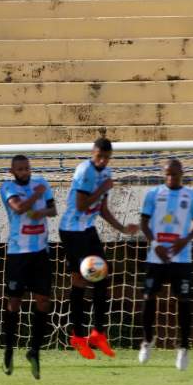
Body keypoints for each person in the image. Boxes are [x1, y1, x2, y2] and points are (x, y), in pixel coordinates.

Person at [59, 138, 139, 360]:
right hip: (72, 230)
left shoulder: (105, 173)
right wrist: (102, 188)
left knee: (92, 278)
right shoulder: (84, 171)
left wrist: (122, 228)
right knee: (92, 278)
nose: (103, 160)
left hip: (87, 229)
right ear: (92, 153)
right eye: (99, 156)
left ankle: (91, 334)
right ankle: (87, 334)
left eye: (106, 157)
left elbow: (101, 208)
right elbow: (81, 205)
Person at [138, 159, 193, 371]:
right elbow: (143, 223)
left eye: (174, 174)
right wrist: (155, 244)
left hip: (181, 258)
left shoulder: (191, 196)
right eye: (167, 174)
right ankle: (147, 340)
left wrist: (185, 240)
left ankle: (183, 348)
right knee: (148, 297)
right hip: (156, 257)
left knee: (184, 300)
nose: (171, 178)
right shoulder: (153, 194)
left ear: (181, 174)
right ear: (163, 174)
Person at [0, 155, 57, 379]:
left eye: (27, 168)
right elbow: (19, 208)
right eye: (20, 169)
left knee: (43, 301)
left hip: (40, 252)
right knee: (14, 302)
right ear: (13, 171)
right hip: (18, 253)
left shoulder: (41, 183)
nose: (25, 172)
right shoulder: (7, 187)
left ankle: (34, 350)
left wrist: (41, 211)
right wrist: (36, 195)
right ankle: (9, 349)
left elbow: (52, 210)